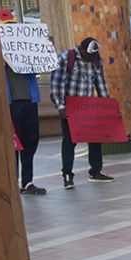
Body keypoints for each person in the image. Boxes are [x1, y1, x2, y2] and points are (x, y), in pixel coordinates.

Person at [50, 37, 114, 189]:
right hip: (71, 107)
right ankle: (67, 175)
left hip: (89, 107)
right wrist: (60, 106)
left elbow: (101, 84)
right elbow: (56, 85)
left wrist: (107, 108)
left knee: (95, 140)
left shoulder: (96, 61)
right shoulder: (66, 59)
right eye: (89, 56)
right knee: (69, 142)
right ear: (82, 50)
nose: (91, 59)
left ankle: (96, 171)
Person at [4, 48, 46, 194]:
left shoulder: (26, 55)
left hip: (30, 102)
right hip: (11, 104)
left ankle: (27, 182)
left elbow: (42, 65)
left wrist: (45, 46)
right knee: (13, 144)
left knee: (31, 141)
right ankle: (13, 182)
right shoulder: (0, 60)